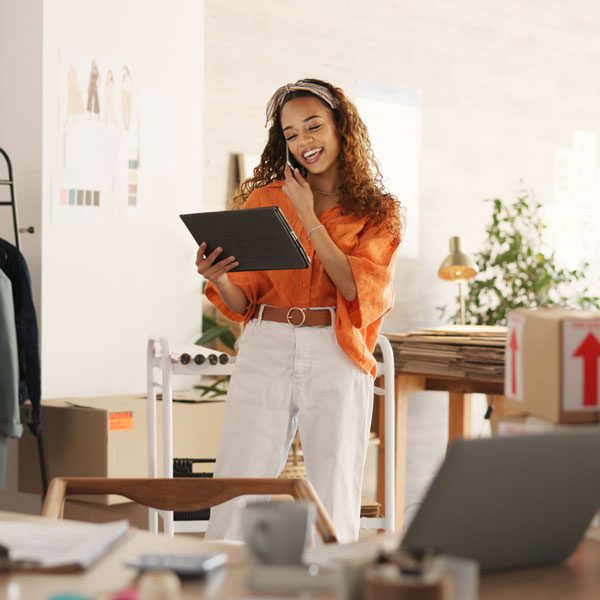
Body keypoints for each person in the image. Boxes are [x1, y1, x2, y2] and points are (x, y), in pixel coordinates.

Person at [197, 78, 401, 543]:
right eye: (291, 134)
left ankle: (329, 587)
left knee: (333, 485)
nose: (304, 142)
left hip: (336, 348)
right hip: (267, 342)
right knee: (239, 478)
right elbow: (243, 302)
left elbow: (356, 285)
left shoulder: (378, 212)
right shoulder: (265, 200)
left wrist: (308, 214)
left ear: (340, 127)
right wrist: (219, 277)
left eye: (313, 126)